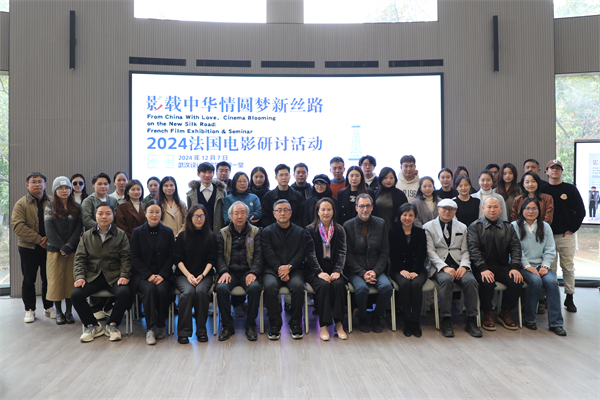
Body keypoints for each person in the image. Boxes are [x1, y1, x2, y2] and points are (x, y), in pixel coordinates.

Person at [71, 202, 131, 342]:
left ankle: (113, 324)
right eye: (100, 213)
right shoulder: (87, 235)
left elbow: (126, 258)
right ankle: (92, 325)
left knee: (125, 292)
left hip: (114, 276)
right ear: (95, 215)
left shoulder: (120, 234)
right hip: (93, 276)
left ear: (113, 215)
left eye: (108, 213)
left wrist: (124, 275)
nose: (104, 216)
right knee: (76, 294)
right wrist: (79, 277)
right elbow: (79, 259)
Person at [424, 199, 481, 338]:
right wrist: (444, 267)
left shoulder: (462, 227)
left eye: (451, 209)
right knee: (446, 280)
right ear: (438, 209)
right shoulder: (428, 227)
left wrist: (464, 266)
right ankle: (446, 319)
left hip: (459, 264)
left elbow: (466, 250)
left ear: (455, 211)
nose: (447, 211)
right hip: (439, 266)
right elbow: (430, 252)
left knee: (470, 281)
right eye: (444, 208)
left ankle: (472, 320)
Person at [511, 198, 566, 336]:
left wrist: (545, 266)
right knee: (535, 281)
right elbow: (515, 249)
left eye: (534, 208)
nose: (531, 211)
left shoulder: (545, 226)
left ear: (539, 211)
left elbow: (550, 249)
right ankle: (529, 318)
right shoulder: (514, 226)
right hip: (523, 266)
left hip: (541, 266)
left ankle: (556, 323)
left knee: (552, 282)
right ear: (522, 210)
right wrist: (527, 266)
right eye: (527, 208)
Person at [467, 197, 523, 331]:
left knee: (516, 281)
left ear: (500, 209)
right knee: (487, 282)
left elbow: (516, 248)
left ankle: (505, 311)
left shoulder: (508, 226)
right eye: (489, 207)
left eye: (495, 207)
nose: (492, 209)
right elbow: (473, 250)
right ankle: (487, 313)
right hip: (481, 267)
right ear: (483, 208)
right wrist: (483, 268)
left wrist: (515, 267)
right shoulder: (475, 226)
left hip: (501, 265)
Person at [541, 159, 586, 313]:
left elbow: (581, 211)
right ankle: (550, 298)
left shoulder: (570, 189)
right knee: (550, 268)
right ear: (546, 171)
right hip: (547, 237)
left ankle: (569, 297)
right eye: (552, 168)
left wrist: (572, 229)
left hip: (566, 235)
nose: (555, 170)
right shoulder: (542, 189)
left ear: (561, 171)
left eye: (558, 168)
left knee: (568, 267)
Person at [344, 194, 392, 333]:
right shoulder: (347, 225)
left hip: (376, 268)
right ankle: (363, 318)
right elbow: (348, 254)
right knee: (361, 289)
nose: (365, 209)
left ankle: (376, 317)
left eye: (367, 206)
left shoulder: (381, 223)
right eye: (361, 206)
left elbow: (384, 252)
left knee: (387, 287)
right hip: (356, 270)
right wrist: (362, 273)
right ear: (356, 208)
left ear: (372, 207)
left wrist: (375, 271)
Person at [215, 201, 263, 342]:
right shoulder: (223, 233)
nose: (240, 216)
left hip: (248, 272)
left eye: (243, 213)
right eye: (236, 213)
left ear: (247, 215)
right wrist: (224, 271)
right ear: (230, 216)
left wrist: (253, 272)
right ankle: (227, 326)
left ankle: (250, 325)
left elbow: (259, 255)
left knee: (255, 288)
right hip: (229, 272)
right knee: (221, 288)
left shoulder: (255, 232)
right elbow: (218, 256)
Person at [129, 200, 175, 345]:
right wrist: (148, 275)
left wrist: (162, 275)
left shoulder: (168, 232)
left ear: (161, 213)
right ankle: (150, 329)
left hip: (163, 274)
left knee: (161, 290)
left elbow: (171, 256)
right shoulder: (137, 232)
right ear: (145, 213)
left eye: (157, 212)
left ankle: (161, 325)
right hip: (143, 274)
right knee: (148, 290)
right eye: (151, 212)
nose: (154, 215)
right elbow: (134, 257)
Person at [261, 199, 307, 340]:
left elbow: (301, 253)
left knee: (298, 286)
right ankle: (275, 324)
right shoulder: (267, 231)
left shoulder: (300, 231)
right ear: (274, 213)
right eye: (279, 210)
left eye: (286, 210)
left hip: (294, 269)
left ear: (291, 213)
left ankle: (295, 323)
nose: (282, 213)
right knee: (270, 286)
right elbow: (268, 253)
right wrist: (280, 269)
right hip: (272, 269)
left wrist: (289, 267)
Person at [12, 172, 54, 322]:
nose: (37, 184)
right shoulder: (21, 204)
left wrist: (49, 240)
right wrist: (39, 239)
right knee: (29, 280)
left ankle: (49, 308)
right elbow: (18, 227)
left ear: (45, 184)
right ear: (27, 185)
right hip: (28, 248)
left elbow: (59, 223)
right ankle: (30, 310)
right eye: (33, 182)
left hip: (49, 248)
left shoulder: (52, 202)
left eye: (40, 181)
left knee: (48, 279)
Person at [304, 198, 348, 341]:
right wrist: (319, 272)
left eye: (329, 209)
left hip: (334, 268)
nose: (326, 212)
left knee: (339, 284)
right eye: (322, 209)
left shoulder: (339, 229)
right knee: (323, 286)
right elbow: (310, 254)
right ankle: (323, 325)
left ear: (333, 211)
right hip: (315, 269)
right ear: (317, 212)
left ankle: (339, 324)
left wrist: (337, 271)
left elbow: (342, 252)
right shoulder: (310, 230)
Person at [173, 205, 217, 344]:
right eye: (196, 216)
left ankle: (201, 331)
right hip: (184, 275)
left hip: (204, 275)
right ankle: (184, 333)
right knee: (188, 293)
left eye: (202, 216)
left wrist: (202, 275)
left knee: (201, 293)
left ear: (206, 218)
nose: (199, 219)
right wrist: (188, 275)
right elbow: (177, 259)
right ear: (190, 218)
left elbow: (212, 260)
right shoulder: (182, 236)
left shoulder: (211, 236)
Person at [44, 176, 82, 325]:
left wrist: (69, 246)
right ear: (55, 191)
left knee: (70, 281)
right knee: (56, 281)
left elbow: (79, 228)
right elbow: (49, 230)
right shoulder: (50, 207)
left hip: (72, 251)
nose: (64, 190)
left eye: (66, 188)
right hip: (55, 251)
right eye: (60, 188)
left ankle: (69, 312)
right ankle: (59, 312)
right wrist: (62, 246)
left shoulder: (77, 207)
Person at [389, 203, 427, 337]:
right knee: (404, 284)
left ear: (415, 217)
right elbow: (392, 255)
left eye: (411, 215)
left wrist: (415, 271)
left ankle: (415, 320)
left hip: (417, 269)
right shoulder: (393, 233)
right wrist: (401, 270)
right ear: (399, 216)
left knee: (416, 284)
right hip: (398, 269)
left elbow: (422, 254)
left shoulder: (421, 232)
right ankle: (407, 320)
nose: (407, 218)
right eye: (404, 215)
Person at [187, 162, 226, 232]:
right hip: (197, 232)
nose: (207, 175)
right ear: (198, 174)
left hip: (217, 231)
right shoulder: (191, 194)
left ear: (213, 174)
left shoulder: (221, 192)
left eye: (210, 172)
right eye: (204, 172)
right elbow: (189, 215)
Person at [373, 167, 408, 231]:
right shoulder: (375, 193)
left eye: (391, 177)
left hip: (394, 229)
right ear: (380, 179)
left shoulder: (400, 194)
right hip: (377, 228)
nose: (388, 180)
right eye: (385, 178)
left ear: (395, 179)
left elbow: (405, 213)